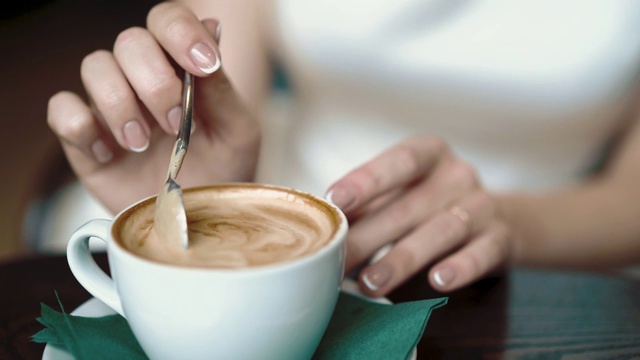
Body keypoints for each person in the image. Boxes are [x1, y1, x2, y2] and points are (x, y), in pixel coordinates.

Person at [46, 0, 640, 298]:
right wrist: (206, 185)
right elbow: (221, 70)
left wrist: (511, 224)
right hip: (275, 201)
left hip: (550, 263)